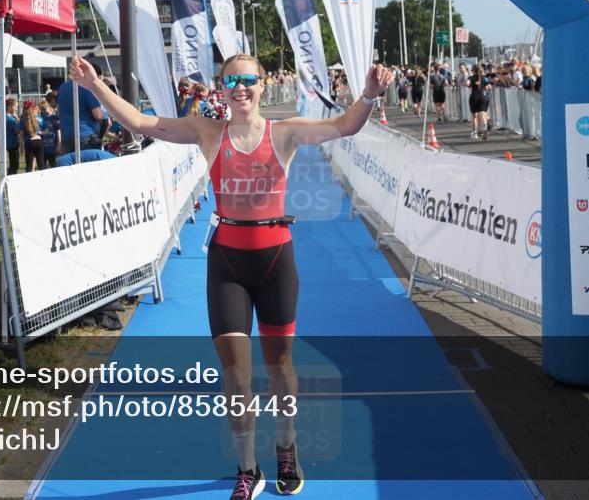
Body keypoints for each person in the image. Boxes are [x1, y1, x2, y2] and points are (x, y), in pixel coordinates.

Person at [68, 52, 393, 500]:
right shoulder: (207, 131)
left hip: (276, 260)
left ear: (261, 86)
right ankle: (246, 468)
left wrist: (370, 96)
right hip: (228, 264)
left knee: (280, 366)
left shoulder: (286, 132)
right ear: (221, 89)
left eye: (249, 80)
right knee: (236, 376)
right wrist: (94, 86)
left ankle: (286, 447)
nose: (241, 88)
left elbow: (344, 126)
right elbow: (143, 124)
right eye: (232, 80)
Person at [56, 62, 107, 154]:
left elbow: (59, 112)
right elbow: (98, 115)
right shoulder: (87, 88)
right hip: (86, 136)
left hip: (67, 137)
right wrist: (107, 113)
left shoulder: (62, 87)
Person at [467, 64, 491, 140]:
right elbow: (489, 87)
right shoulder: (485, 78)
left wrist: (470, 85)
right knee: (482, 113)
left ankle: (474, 132)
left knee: (474, 115)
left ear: (473, 70)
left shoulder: (471, 77)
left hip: (474, 96)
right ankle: (485, 128)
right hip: (483, 96)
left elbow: (467, 84)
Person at [20, 100, 45, 172]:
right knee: (41, 165)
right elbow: (45, 130)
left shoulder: (23, 120)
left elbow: (21, 135)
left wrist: (21, 147)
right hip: (39, 141)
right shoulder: (40, 119)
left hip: (29, 142)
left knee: (29, 165)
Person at [39, 101, 60, 168]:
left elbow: (58, 132)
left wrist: (58, 144)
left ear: (50, 108)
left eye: (44, 109)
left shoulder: (54, 118)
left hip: (52, 145)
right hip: (43, 146)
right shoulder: (41, 118)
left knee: (53, 165)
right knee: (43, 166)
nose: (43, 111)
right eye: (41, 109)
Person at [5, 98, 21, 176]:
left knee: (13, 163)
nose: (16, 109)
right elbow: (18, 130)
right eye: (15, 107)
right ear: (9, 107)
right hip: (13, 144)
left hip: (8, 143)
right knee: (15, 164)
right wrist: (18, 119)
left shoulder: (4, 117)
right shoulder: (11, 119)